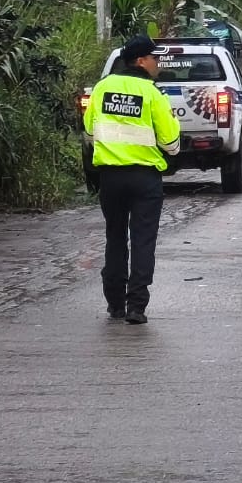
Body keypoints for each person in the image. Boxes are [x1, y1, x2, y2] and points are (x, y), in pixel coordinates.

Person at [82, 34, 181, 324]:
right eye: (155, 58)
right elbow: (171, 142)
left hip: (110, 177)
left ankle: (114, 304)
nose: (158, 63)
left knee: (114, 237)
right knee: (142, 240)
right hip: (144, 178)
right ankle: (136, 306)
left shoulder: (102, 89)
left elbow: (89, 133)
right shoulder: (152, 93)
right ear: (141, 61)